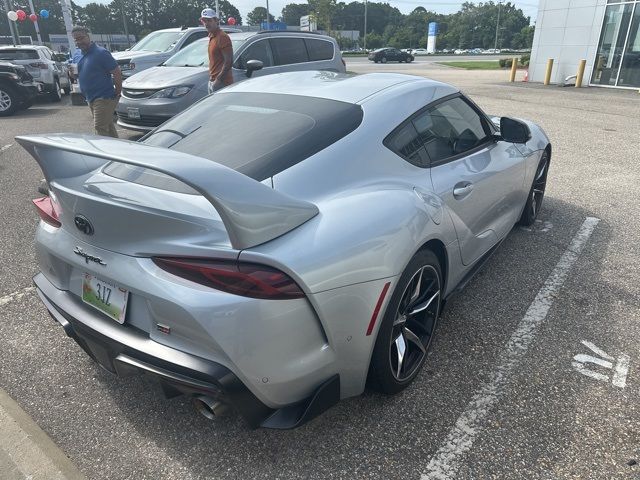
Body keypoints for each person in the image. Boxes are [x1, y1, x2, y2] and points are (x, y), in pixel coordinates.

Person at [71, 25, 122, 138]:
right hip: (90, 98)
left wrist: (118, 92)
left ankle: (101, 154)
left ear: (89, 37)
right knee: (107, 127)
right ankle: (118, 151)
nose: (79, 41)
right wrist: (71, 73)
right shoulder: (77, 55)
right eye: (76, 39)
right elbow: (75, 76)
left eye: (82, 38)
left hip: (104, 97)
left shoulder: (101, 53)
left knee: (100, 128)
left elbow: (117, 72)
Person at [200, 8, 233, 93]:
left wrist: (218, 80)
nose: (206, 24)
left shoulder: (222, 37)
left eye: (209, 20)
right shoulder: (211, 36)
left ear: (216, 20)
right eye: (204, 21)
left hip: (222, 83)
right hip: (213, 81)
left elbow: (229, 61)